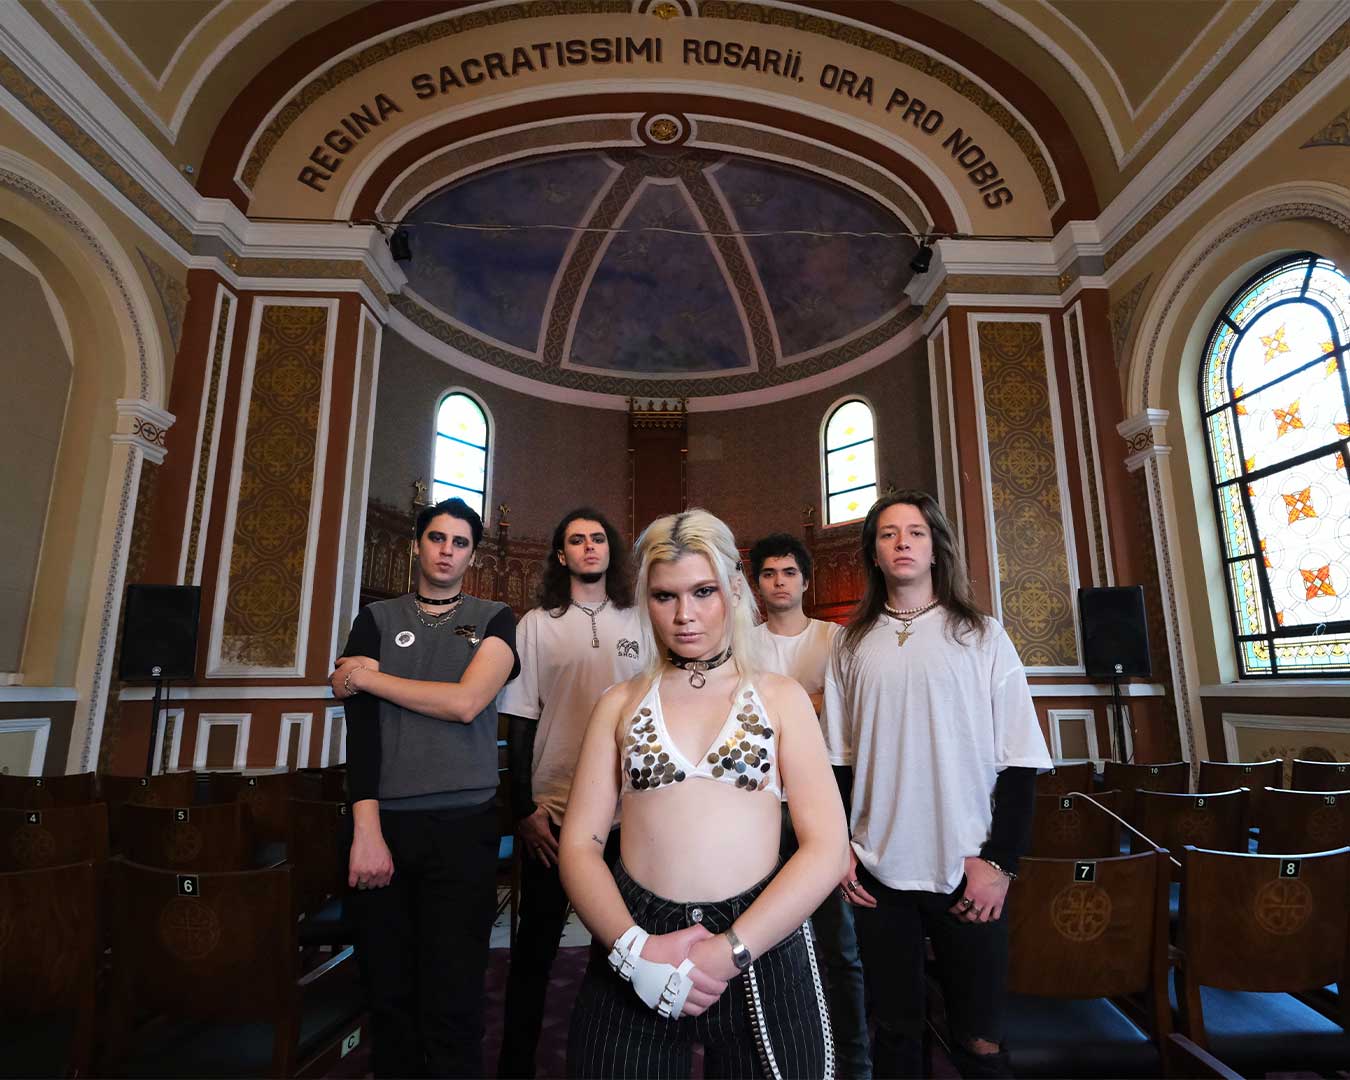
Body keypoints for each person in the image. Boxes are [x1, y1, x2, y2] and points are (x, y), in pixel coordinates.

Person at [559, 509, 849, 1079]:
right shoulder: (619, 703)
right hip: (638, 929)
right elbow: (580, 844)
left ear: (734, 589)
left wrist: (731, 948)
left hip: (763, 931)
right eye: (665, 596)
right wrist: (632, 950)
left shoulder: (781, 697)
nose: (684, 615)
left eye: (703, 592)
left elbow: (827, 846)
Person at [822, 491, 1051, 1079]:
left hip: (967, 870)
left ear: (935, 548)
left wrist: (999, 864)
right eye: (888, 534)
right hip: (877, 874)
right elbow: (837, 764)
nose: (902, 542)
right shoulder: (849, 642)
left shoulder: (982, 635)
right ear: (873, 553)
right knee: (895, 1032)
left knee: (980, 1040)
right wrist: (840, 852)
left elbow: (1020, 761)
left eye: (916, 532)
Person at [330, 497, 520, 1078]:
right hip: (385, 825)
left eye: (460, 543)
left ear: (473, 555)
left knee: (455, 991)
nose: (447, 551)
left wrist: (367, 678)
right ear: (416, 545)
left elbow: (467, 703)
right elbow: (362, 735)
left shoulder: (496, 617)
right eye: (437, 538)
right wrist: (365, 831)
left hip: (464, 827)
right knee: (389, 990)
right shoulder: (376, 619)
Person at [497, 507, 643, 1078]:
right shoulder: (536, 624)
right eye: (577, 540)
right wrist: (523, 810)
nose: (589, 547)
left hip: (629, 812)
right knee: (535, 947)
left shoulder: (639, 619)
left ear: (611, 550)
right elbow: (519, 719)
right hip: (554, 810)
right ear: (561, 554)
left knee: (623, 949)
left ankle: (616, 1062)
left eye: (598, 538)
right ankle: (515, 1067)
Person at [748, 533, 869, 1080]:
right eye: (769, 573)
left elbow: (850, 713)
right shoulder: (744, 643)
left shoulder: (834, 638)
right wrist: (810, 701)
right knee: (765, 937)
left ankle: (854, 1062)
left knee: (839, 942)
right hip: (758, 805)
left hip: (822, 800)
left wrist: (785, 702)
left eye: (789, 572)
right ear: (757, 584)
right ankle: (779, 1054)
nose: (780, 582)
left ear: (806, 580)